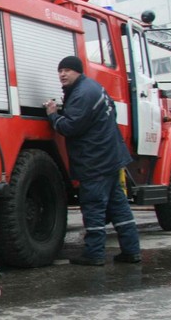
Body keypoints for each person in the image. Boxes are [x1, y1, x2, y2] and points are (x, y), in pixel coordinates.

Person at [45, 55, 141, 266]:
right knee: (119, 207)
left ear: (78, 71)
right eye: (60, 70)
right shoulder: (94, 88)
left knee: (94, 207)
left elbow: (70, 127)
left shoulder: (82, 93)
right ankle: (132, 250)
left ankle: (94, 254)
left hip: (94, 161)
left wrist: (53, 115)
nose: (62, 74)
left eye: (67, 70)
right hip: (110, 157)